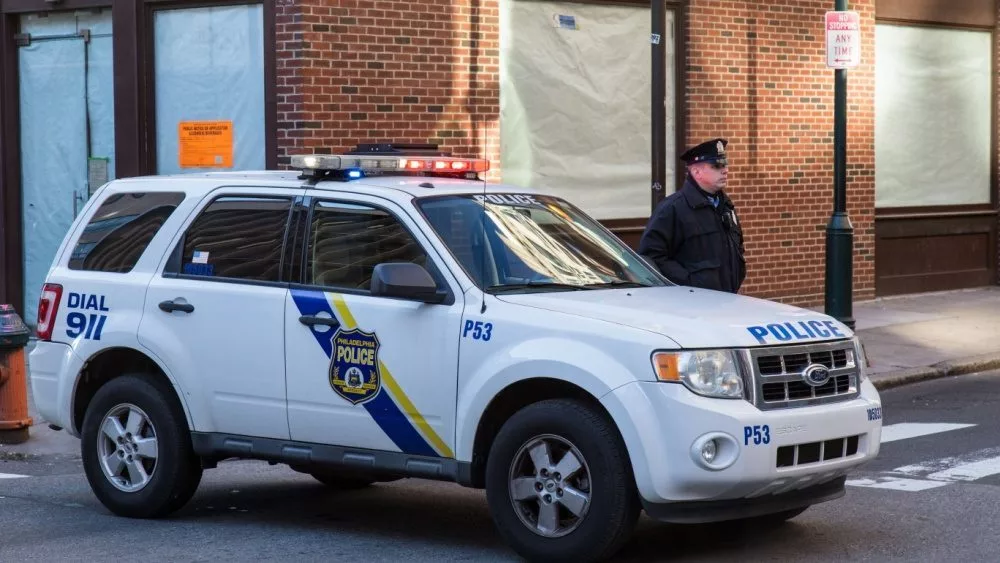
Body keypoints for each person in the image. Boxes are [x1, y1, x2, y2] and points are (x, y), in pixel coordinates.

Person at [637, 138, 746, 293]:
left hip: (727, 300)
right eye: (717, 166)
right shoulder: (673, 208)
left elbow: (737, 248)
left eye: (725, 164)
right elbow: (651, 257)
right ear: (696, 172)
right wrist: (691, 283)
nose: (725, 170)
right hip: (691, 305)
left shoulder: (726, 206)